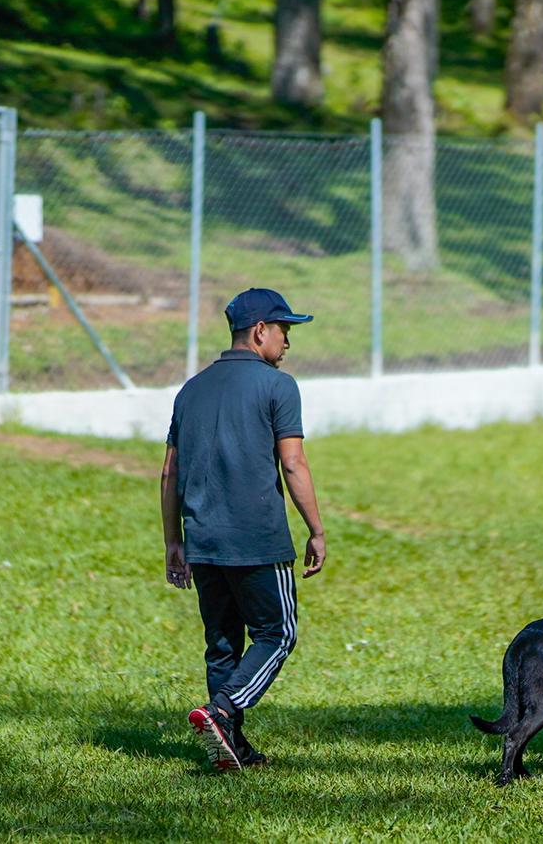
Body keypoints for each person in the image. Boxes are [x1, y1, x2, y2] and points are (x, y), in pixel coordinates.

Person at [160, 287, 327, 772]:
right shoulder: (279, 386)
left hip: (204, 541)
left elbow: (169, 472)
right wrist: (315, 528)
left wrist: (174, 541)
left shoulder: (191, 389)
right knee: (278, 633)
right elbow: (292, 463)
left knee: (224, 643)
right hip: (257, 539)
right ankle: (223, 711)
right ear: (260, 332)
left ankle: (229, 746)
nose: (287, 342)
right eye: (284, 330)